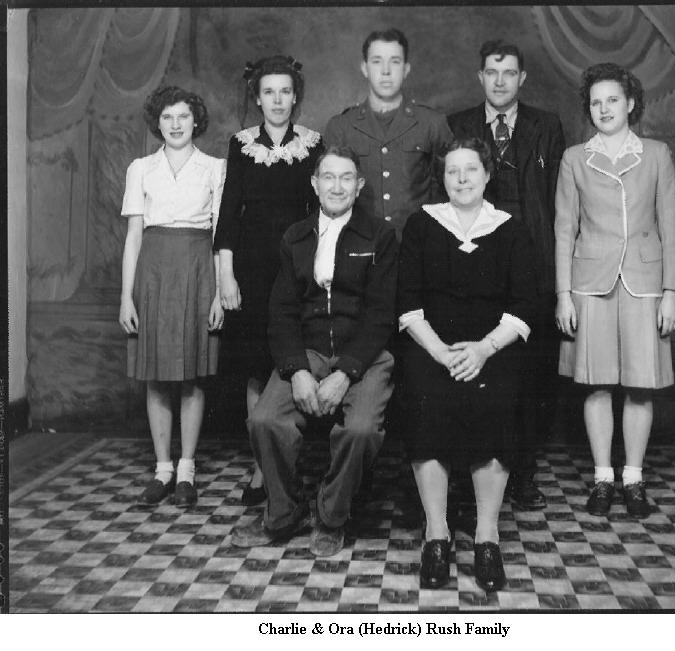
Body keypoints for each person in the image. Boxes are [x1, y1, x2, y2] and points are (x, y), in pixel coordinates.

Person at [229, 146, 398, 557]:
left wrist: (347, 372)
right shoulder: (296, 236)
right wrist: (297, 370)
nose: (337, 187)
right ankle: (283, 512)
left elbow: (381, 314)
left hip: (364, 354)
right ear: (315, 183)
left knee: (360, 430)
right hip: (308, 351)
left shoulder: (380, 235)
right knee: (264, 420)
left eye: (346, 178)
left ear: (359, 185)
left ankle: (331, 515)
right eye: (328, 177)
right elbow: (282, 311)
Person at [398, 138, 537, 592]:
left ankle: (486, 534)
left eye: (471, 169)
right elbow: (408, 304)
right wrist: (440, 352)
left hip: (491, 348)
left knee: (497, 398)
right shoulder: (421, 225)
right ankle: (436, 533)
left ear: (487, 174)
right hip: (432, 346)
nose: (461, 179)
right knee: (425, 396)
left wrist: (483, 350)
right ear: (442, 178)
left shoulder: (511, 229)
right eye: (452, 171)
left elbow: (523, 306)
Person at [554, 63, 675, 519]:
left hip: (645, 284)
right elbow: (564, 229)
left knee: (641, 387)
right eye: (596, 102)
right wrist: (563, 294)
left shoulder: (656, 154)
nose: (604, 109)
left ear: (630, 104)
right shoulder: (574, 158)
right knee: (596, 384)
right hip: (590, 283)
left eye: (612, 100)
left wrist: (671, 291)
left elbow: (670, 225)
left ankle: (634, 478)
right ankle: (603, 477)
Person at [448, 40, 565, 511]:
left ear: (522, 79)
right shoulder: (457, 125)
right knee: (477, 367)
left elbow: (559, 201)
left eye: (509, 73)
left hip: (532, 265)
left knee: (530, 375)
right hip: (476, 264)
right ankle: (468, 474)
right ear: (480, 76)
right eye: (492, 72)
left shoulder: (546, 125)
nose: (500, 81)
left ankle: (524, 473)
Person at [213, 55, 322, 506]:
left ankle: (292, 459)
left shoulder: (313, 144)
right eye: (269, 92)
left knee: (292, 361)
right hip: (252, 273)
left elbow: (321, 211)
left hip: (298, 269)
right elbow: (228, 215)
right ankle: (263, 467)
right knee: (256, 369)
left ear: (295, 97)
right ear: (257, 99)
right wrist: (226, 275)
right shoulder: (241, 145)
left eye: (285, 92)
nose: (277, 100)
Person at [119, 86, 225, 508]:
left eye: (183, 116)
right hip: (153, 274)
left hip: (199, 272)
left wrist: (218, 293)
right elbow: (133, 237)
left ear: (196, 120)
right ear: (157, 123)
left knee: (191, 375)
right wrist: (126, 297)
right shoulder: (141, 168)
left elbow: (220, 237)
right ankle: (162, 468)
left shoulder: (214, 168)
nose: (176, 124)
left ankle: (186, 470)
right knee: (157, 373)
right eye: (167, 117)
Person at [324, 28, 452, 238]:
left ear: (406, 69)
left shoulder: (432, 123)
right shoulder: (341, 127)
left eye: (394, 61)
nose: (386, 71)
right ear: (365, 68)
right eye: (377, 61)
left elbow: (451, 187)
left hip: (418, 243)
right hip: (360, 244)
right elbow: (330, 194)